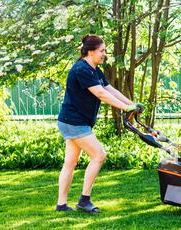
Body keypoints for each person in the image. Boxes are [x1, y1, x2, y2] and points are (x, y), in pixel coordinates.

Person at [56, 34, 142, 214]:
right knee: (99, 155)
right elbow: (101, 94)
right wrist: (126, 108)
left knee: (70, 162)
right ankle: (84, 200)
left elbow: (110, 89)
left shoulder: (94, 70)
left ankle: (62, 204)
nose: (105, 54)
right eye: (102, 51)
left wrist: (131, 104)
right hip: (74, 121)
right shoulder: (82, 69)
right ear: (90, 52)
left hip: (72, 121)